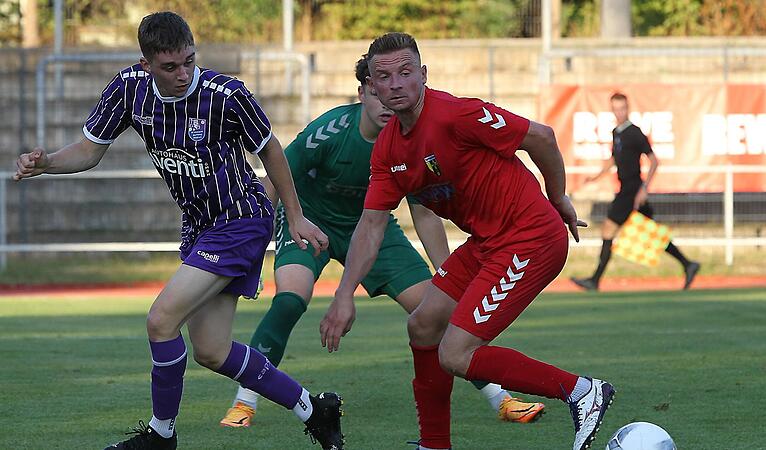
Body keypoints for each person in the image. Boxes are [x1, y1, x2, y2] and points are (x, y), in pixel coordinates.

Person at [12, 12, 343, 450]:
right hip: (201, 228)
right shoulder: (129, 88)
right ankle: (314, 409)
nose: (184, 73)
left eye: (190, 61)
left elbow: (271, 150)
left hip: (241, 220)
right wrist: (47, 163)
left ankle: (161, 435)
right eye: (171, 67)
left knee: (161, 320)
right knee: (212, 350)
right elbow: (91, 150)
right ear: (146, 63)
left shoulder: (226, 95)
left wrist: (296, 215)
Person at [319, 32, 614, 450]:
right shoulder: (387, 148)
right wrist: (344, 293)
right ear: (371, 86)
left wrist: (557, 195)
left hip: (531, 238)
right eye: (384, 77)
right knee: (422, 324)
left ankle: (582, 391)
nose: (396, 83)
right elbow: (370, 225)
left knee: (456, 354)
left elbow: (542, 137)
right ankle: (434, 444)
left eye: (406, 73)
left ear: (423, 75)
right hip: (487, 244)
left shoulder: (456, 115)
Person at [219, 55, 545, 428]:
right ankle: (245, 402)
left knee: (434, 313)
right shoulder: (330, 130)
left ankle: (501, 398)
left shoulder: (411, 139)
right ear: (362, 93)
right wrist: (256, 246)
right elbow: (276, 178)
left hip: (374, 228)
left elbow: (424, 212)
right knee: (291, 299)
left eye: (393, 89)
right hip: (312, 221)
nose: (386, 100)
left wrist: (446, 272)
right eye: (376, 92)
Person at [571, 92, 700, 292]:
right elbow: (614, 159)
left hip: (632, 190)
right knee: (651, 233)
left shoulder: (635, 132)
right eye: (615, 109)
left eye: (622, 108)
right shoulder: (617, 132)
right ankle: (688, 264)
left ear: (628, 108)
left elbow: (654, 161)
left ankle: (595, 280)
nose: (619, 112)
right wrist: (595, 177)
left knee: (608, 229)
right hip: (626, 189)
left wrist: (643, 189)